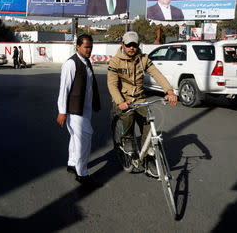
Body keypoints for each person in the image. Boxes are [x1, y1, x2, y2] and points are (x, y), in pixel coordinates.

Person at [107, 31, 177, 178]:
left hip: (140, 99)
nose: (131, 48)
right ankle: (126, 138)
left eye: (134, 45)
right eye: (128, 45)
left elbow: (157, 74)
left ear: (138, 45)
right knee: (128, 114)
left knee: (148, 125)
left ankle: (148, 160)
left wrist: (169, 91)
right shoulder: (115, 61)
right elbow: (112, 84)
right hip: (123, 99)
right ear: (123, 45)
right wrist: (120, 102)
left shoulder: (143, 59)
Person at [57, 34, 102, 189]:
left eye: (91, 47)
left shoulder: (86, 61)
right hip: (74, 110)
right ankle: (82, 174)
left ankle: (72, 163)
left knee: (75, 138)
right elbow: (64, 89)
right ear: (78, 47)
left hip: (85, 108)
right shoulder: (71, 63)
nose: (89, 50)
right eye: (86, 47)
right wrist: (62, 111)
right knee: (84, 140)